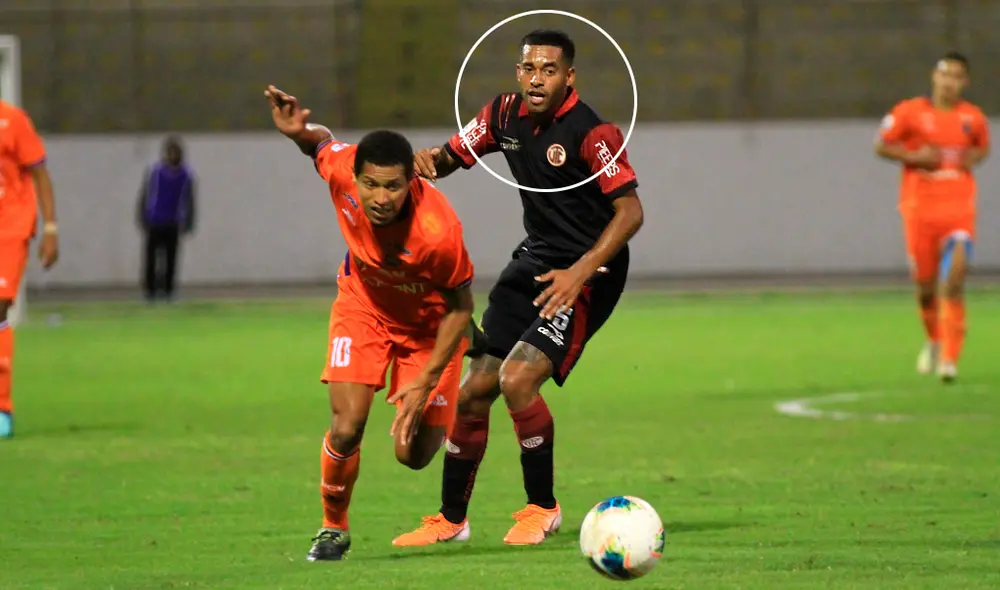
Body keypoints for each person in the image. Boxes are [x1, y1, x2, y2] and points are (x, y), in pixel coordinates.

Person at [393, 29, 644, 547]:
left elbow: (631, 212)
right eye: (529, 68)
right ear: (517, 72)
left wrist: (579, 273)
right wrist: (425, 164)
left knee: (517, 378)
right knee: (475, 388)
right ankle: (450, 520)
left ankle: (542, 508)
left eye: (549, 70)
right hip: (535, 259)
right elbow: (448, 158)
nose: (536, 79)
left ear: (568, 77)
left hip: (589, 273)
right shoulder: (500, 115)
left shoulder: (594, 135)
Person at [263, 85, 477, 561]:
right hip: (363, 307)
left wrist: (424, 381)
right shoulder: (342, 171)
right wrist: (298, 132)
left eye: (394, 186)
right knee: (346, 426)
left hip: (428, 329)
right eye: (371, 184)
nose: (381, 197)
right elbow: (320, 144)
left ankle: (449, 391)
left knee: (412, 454)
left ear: (412, 183)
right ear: (355, 177)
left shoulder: (439, 234)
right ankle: (332, 527)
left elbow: (462, 307)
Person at [874, 51, 990, 382]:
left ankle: (950, 361)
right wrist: (913, 156)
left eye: (957, 76)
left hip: (958, 211)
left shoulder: (972, 118)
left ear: (964, 82)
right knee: (926, 289)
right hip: (919, 210)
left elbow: (982, 147)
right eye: (945, 74)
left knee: (953, 282)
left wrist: (973, 159)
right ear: (934, 77)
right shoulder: (909, 113)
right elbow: (881, 145)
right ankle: (934, 340)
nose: (949, 82)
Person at [0, 100, 60, 439]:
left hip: (9, 227)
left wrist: (51, 228)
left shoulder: (12, 121)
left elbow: (39, 172)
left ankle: (1, 409)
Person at [137, 136, 196, 302]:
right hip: (155, 220)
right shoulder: (156, 171)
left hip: (173, 221)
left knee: (171, 259)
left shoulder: (186, 175)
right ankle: (150, 291)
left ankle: (169, 290)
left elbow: (189, 200)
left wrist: (189, 222)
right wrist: (142, 217)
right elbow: (145, 194)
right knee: (151, 258)